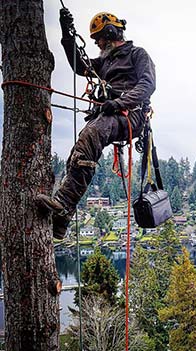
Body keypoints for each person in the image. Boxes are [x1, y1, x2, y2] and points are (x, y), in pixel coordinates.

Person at [38, 9, 156, 239]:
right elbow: (79, 65)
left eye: (100, 38)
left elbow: (147, 85)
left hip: (130, 115)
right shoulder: (104, 62)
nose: (98, 43)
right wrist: (66, 35)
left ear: (111, 32)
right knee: (80, 149)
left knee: (91, 134)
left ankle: (63, 205)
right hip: (110, 115)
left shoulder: (137, 54)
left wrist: (119, 102)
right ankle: (61, 219)